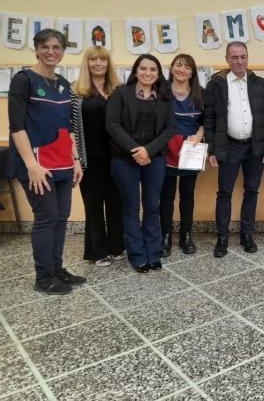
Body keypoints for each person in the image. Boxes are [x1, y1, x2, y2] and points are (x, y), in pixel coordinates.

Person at [8, 28, 86, 294]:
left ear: (63, 51)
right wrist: (31, 165)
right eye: (46, 47)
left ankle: (56, 268)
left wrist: (76, 160)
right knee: (47, 216)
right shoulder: (23, 80)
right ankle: (43, 277)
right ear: (37, 49)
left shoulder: (64, 83)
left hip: (63, 162)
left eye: (57, 47)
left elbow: (70, 128)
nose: (51, 52)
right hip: (37, 164)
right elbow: (16, 127)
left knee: (61, 216)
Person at [205, 41, 264, 257]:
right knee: (224, 193)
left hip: (255, 147)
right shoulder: (216, 84)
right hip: (229, 146)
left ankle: (247, 235)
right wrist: (212, 150)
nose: (239, 61)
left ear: (248, 57)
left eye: (243, 56)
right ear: (227, 59)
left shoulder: (261, 83)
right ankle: (222, 237)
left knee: (251, 191)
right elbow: (208, 118)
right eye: (234, 57)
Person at [106, 54, 175, 273]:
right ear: (135, 71)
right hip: (124, 159)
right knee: (131, 208)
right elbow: (113, 125)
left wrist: (149, 150)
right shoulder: (121, 93)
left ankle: (153, 254)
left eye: (153, 69)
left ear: (158, 73)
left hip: (154, 159)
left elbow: (170, 128)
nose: (148, 73)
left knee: (152, 207)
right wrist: (136, 151)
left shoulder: (164, 96)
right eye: (143, 68)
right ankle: (137, 256)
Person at [71, 45, 125, 266]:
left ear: (108, 63)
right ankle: (98, 251)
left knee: (116, 203)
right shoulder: (77, 92)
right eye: (93, 60)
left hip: (117, 158)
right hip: (89, 158)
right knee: (93, 205)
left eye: (102, 59)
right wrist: (75, 159)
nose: (98, 64)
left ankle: (117, 246)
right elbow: (71, 128)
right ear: (87, 63)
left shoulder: (119, 90)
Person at [159, 54, 204, 256]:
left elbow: (206, 121)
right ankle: (165, 236)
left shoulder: (200, 94)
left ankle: (186, 236)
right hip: (166, 150)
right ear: (171, 68)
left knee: (188, 195)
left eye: (187, 67)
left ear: (192, 72)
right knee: (166, 196)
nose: (182, 70)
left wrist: (198, 136)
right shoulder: (161, 92)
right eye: (178, 65)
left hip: (190, 151)